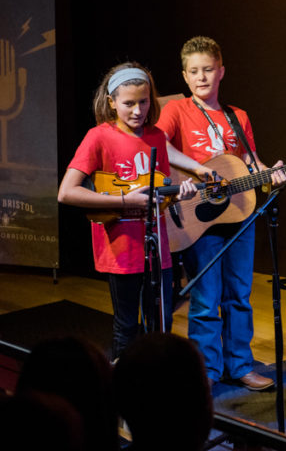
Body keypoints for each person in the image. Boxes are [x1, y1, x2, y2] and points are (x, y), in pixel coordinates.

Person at [157, 36, 286, 391]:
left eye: (208, 70)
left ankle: (241, 365)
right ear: (185, 77)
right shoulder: (176, 111)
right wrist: (199, 171)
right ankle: (209, 372)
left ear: (221, 71)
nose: (202, 77)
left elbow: (249, 161)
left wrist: (269, 172)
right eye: (194, 71)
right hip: (200, 219)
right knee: (204, 298)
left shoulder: (237, 116)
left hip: (240, 213)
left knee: (239, 295)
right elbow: (159, 145)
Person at [58, 62, 199, 360]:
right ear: (111, 102)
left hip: (158, 250)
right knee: (127, 326)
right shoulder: (98, 137)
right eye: (129, 103)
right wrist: (124, 202)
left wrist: (178, 195)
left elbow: (159, 194)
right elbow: (67, 192)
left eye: (144, 102)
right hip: (121, 252)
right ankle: (124, 390)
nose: (138, 110)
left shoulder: (157, 137)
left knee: (161, 324)